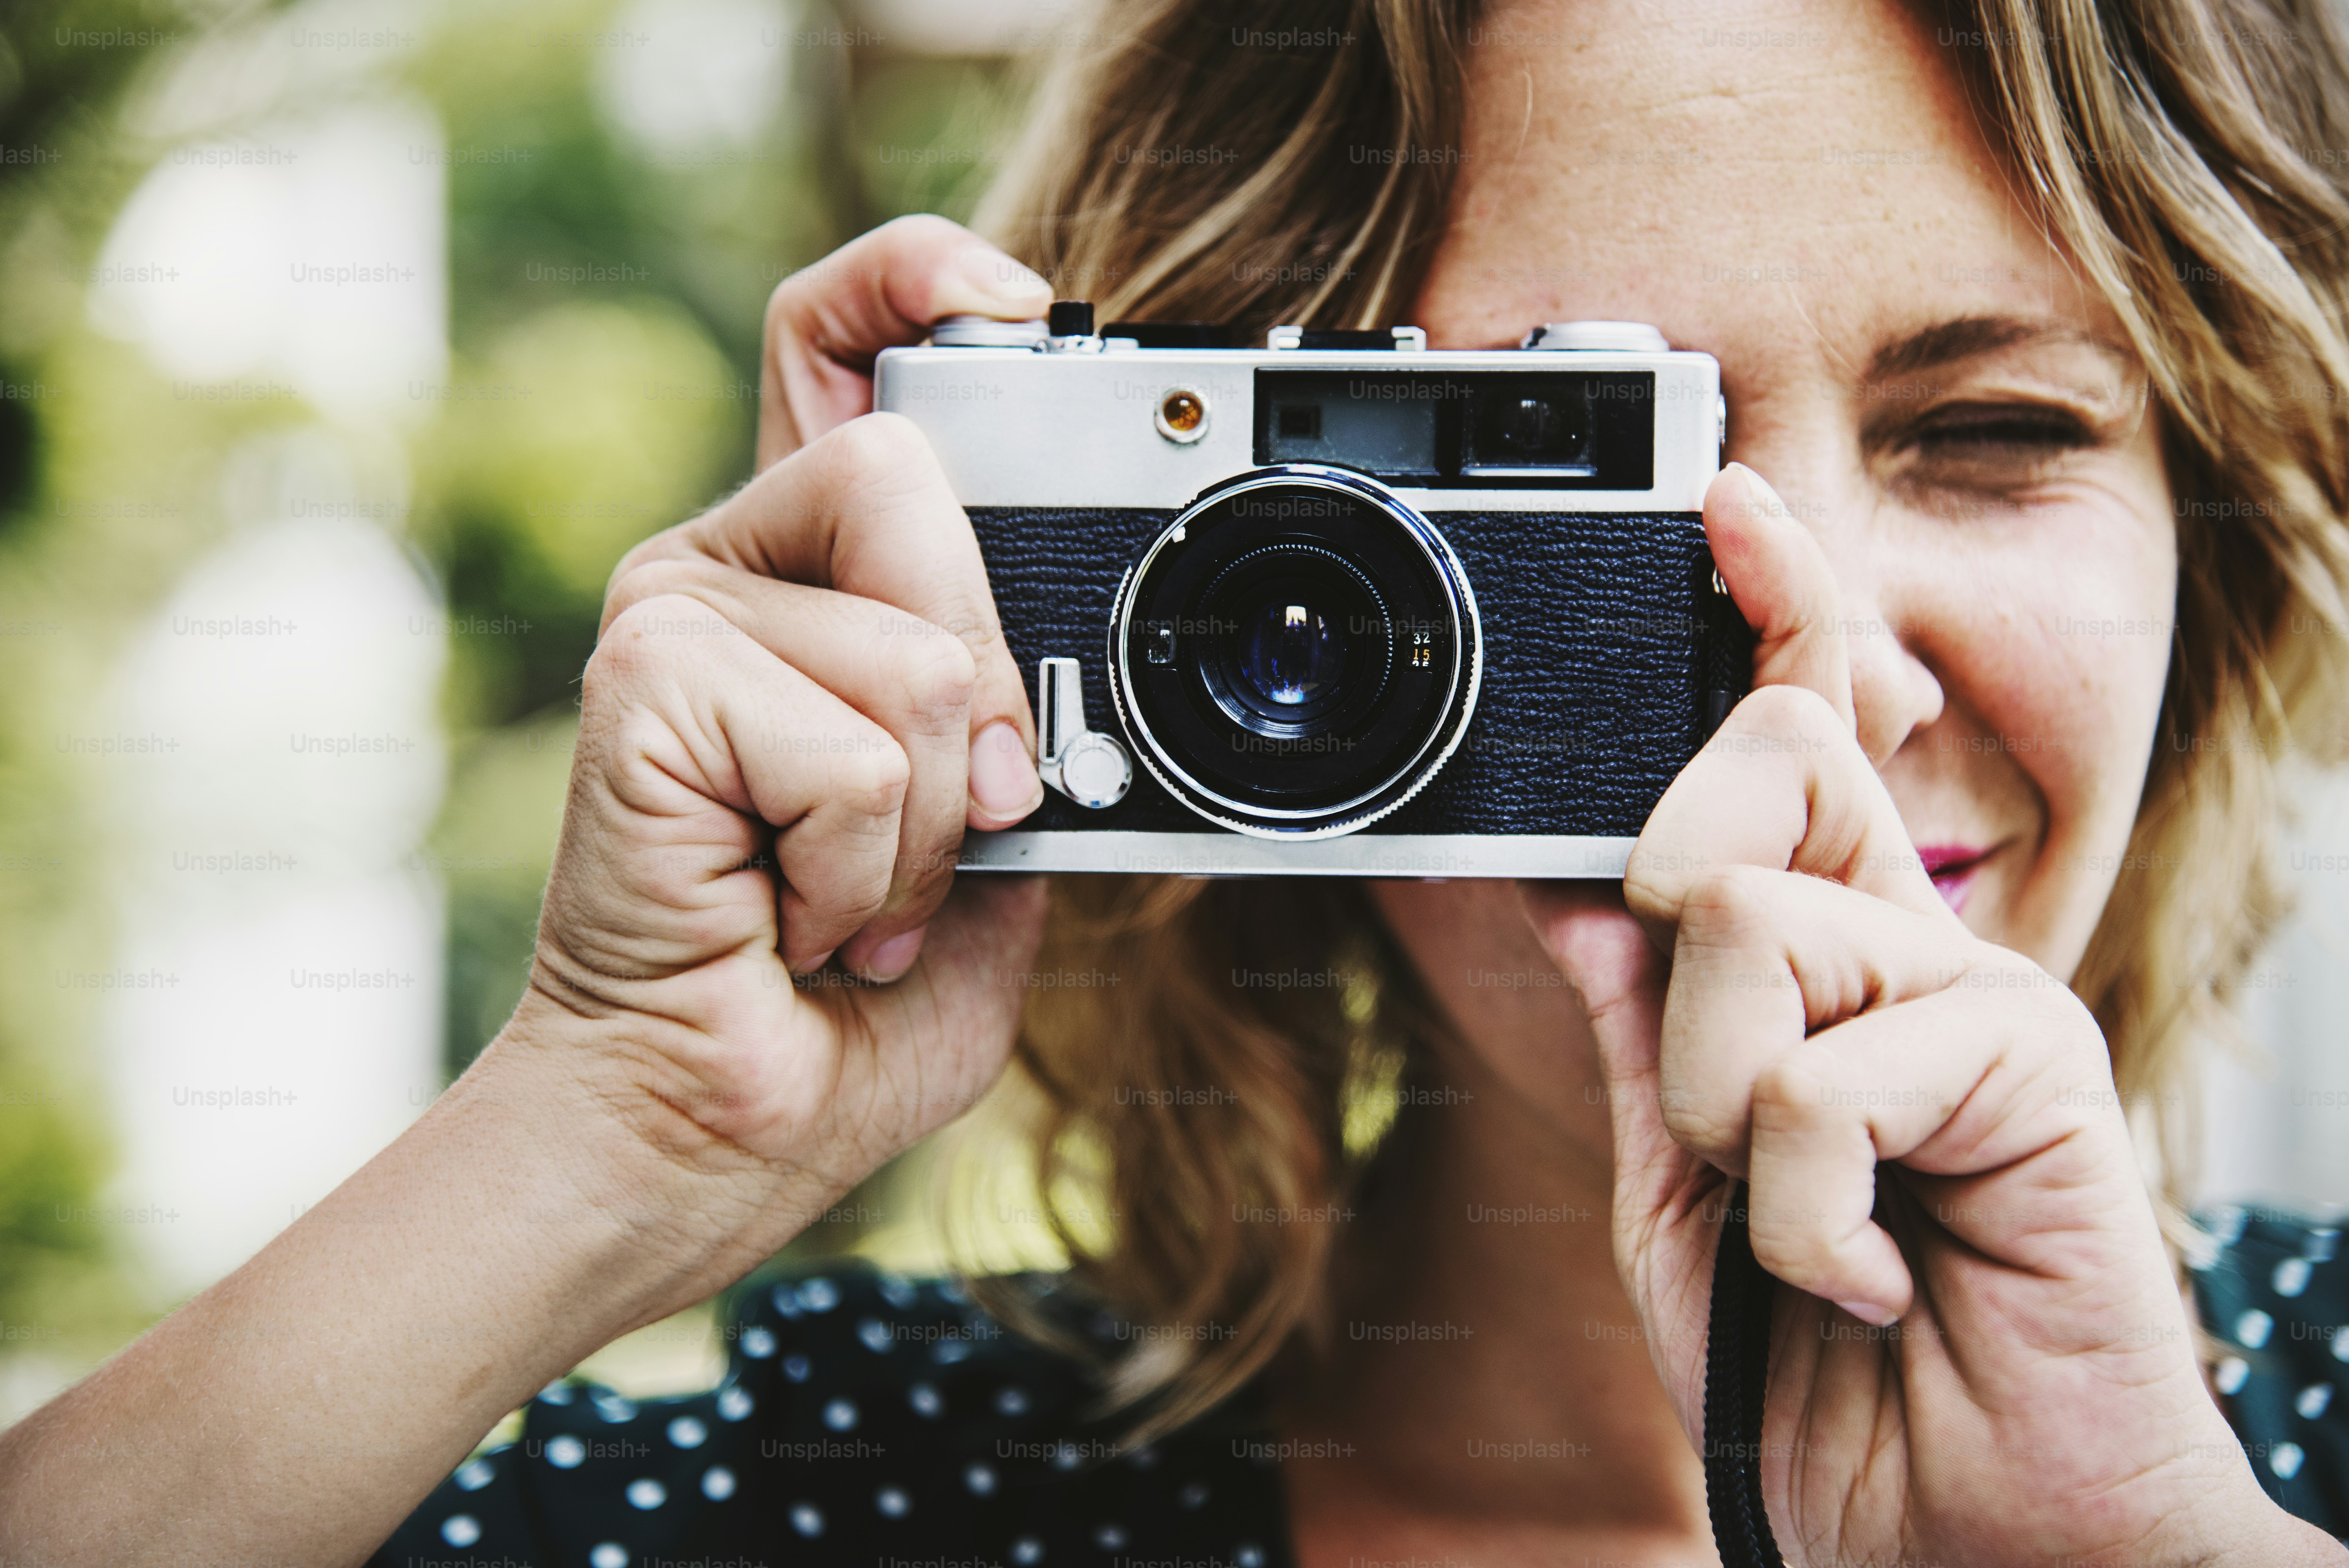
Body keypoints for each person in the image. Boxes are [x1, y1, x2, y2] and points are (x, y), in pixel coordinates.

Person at [6, 0, 2349, 1563]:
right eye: (1603, 465)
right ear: (1204, 572)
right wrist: (609, 1128)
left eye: (2000, 431)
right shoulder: (851, 1503)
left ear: (2218, 540)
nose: (1821, 672)